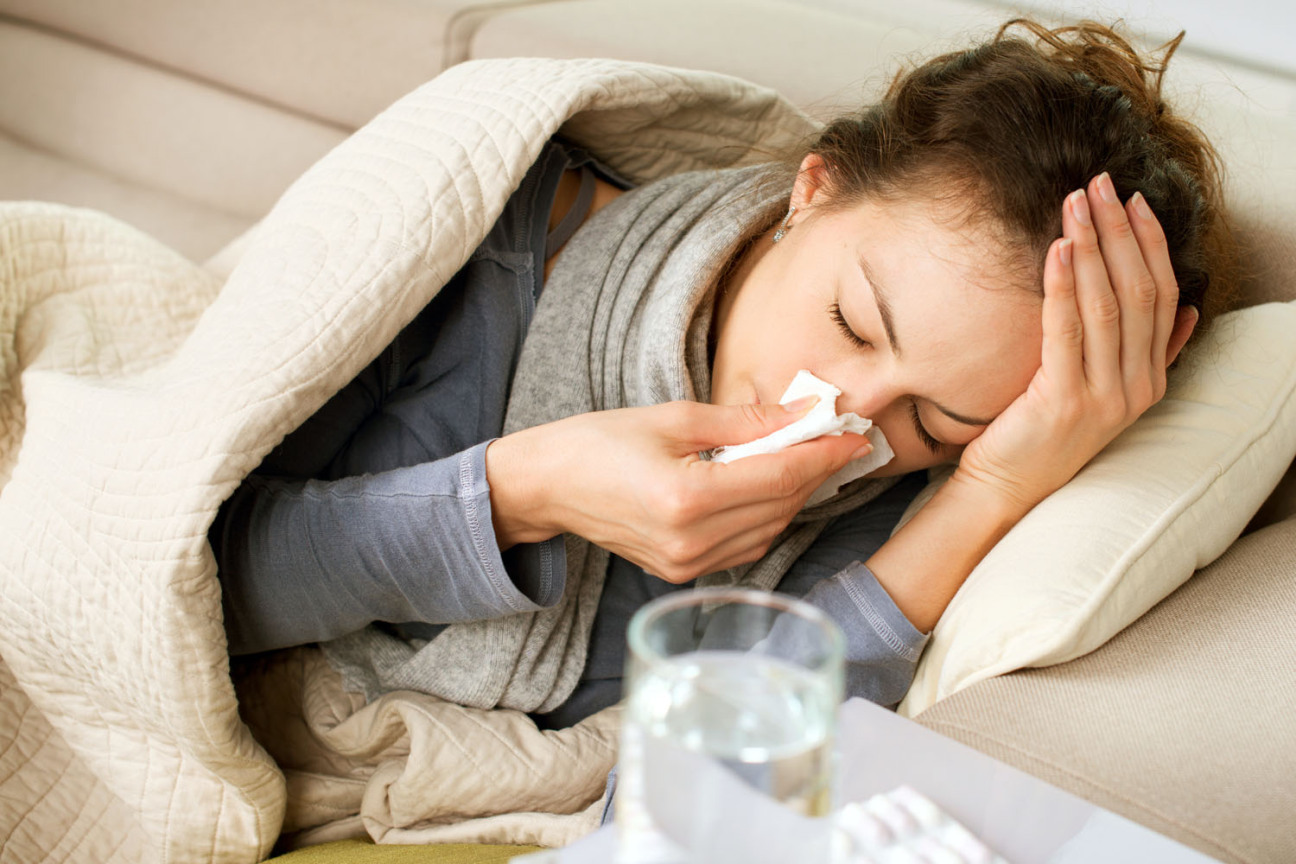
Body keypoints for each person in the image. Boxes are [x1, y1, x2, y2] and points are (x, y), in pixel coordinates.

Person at [210, 19, 1234, 727]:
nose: (845, 422)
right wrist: (524, 492)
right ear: (813, 192)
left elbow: (710, 786)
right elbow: (185, 577)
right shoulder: (472, 242)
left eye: (937, 415)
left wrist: (990, 490)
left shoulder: (903, 489)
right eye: (851, 322)